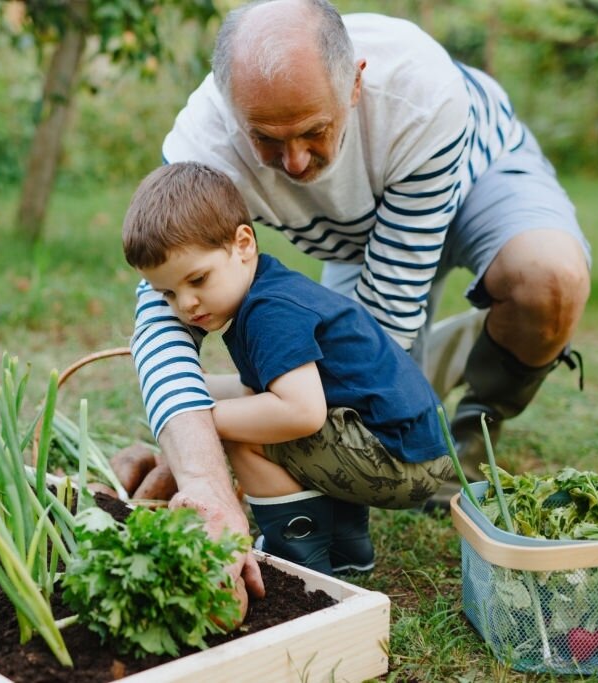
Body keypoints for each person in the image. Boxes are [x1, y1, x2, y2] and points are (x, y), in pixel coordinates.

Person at [129, 0, 591, 598]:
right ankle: (443, 377)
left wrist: (216, 426)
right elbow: (160, 318)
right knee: (330, 379)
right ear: (230, 110)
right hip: (351, 234)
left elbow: (383, 331)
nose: (294, 162)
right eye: (267, 140)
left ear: (354, 84)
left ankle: (476, 428)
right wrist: (195, 461)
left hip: (475, 172)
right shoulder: (203, 142)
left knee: (547, 280)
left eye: (312, 131)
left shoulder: (421, 93)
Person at [123, 161, 452, 577]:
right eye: (168, 293)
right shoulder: (266, 292)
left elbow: (301, 412)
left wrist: (204, 419)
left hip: (401, 459)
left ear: (243, 244)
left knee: (245, 437)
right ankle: (347, 548)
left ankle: (299, 556)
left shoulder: (269, 311)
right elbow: (253, 393)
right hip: (408, 447)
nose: (185, 304)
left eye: (198, 280)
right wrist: (193, 390)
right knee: (255, 418)